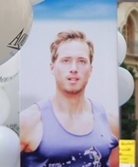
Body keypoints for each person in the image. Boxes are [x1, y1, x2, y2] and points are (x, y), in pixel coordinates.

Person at [20, 30, 120, 167]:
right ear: (52, 67)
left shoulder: (111, 123)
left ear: (90, 69)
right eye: (66, 61)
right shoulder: (28, 122)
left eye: (81, 61)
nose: (74, 68)